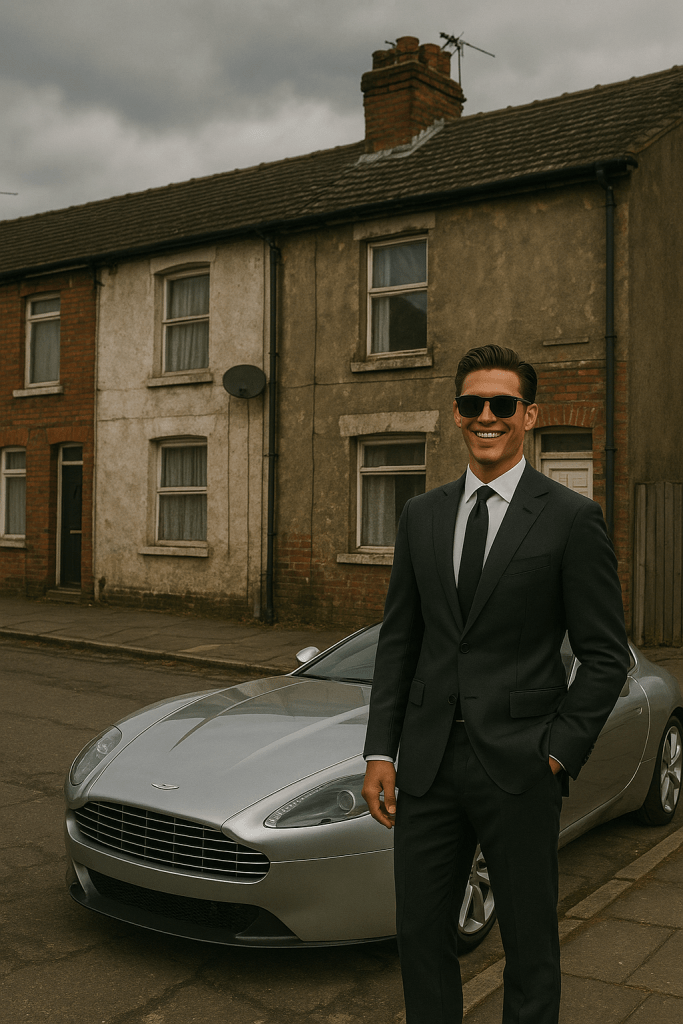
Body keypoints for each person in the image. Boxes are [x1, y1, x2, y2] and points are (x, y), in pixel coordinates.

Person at [362, 345, 630, 1024]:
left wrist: (557, 752)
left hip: (521, 764)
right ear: (456, 413)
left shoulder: (570, 518)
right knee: (421, 934)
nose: (487, 416)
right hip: (427, 765)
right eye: (472, 403)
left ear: (528, 415)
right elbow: (400, 641)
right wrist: (380, 750)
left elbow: (605, 656)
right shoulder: (421, 515)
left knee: (529, 943)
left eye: (502, 404)